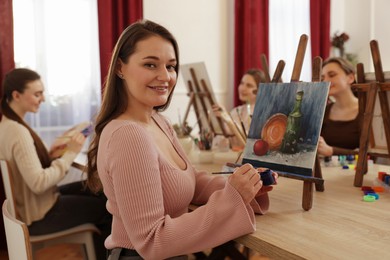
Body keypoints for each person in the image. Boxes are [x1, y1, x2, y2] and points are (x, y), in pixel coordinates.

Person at [86, 20, 276, 260]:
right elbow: (152, 241)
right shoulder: (128, 135)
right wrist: (233, 197)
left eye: (171, 66)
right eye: (150, 64)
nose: (165, 76)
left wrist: (244, 184)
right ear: (120, 68)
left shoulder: (158, 121)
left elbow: (188, 182)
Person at [0, 68, 111, 260]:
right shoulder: (18, 132)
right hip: (39, 215)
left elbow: (29, 171)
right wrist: (70, 154)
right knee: (108, 207)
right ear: (16, 95)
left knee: (98, 188)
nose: (43, 99)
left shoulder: (7, 126)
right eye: (37, 94)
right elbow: (39, 183)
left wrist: (51, 157)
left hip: (36, 205)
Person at [318, 57, 363, 157]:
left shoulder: (368, 112)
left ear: (350, 78)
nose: (326, 81)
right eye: (323, 78)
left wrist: (331, 151)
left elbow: (372, 155)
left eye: (332, 75)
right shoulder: (323, 112)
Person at [213, 68, 266, 150]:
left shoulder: (262, 114)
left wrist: (229, 122)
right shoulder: (235, 111)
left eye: (249, 85)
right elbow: (223, 141)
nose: (242, 88)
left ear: (260, 90)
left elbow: (248, 145)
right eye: (242, 83)